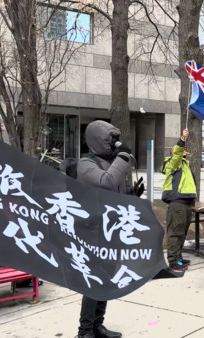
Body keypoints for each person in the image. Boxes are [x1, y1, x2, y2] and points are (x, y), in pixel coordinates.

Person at [77, 120, 129, 338]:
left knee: (107, 278)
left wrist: (132, 195)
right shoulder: (86, 163)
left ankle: (98, 324)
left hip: (112, 228)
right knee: (94, 280)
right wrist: (123, 158)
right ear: (99, 140)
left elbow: (115, 193)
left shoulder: (110, 162)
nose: (115, 144)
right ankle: (85, 330)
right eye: (110, 140)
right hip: (93, 230)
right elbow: (105, 182)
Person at [161, 128, 197, 272]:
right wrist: (183, 138)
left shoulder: (184, 165)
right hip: (177, 203)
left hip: (186, 203)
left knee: (182, 232)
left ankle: (178, 257)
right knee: (175, 232)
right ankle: (174, 262)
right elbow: (177, 154)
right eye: (179, 151)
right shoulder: (172, 163)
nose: (182, 152)